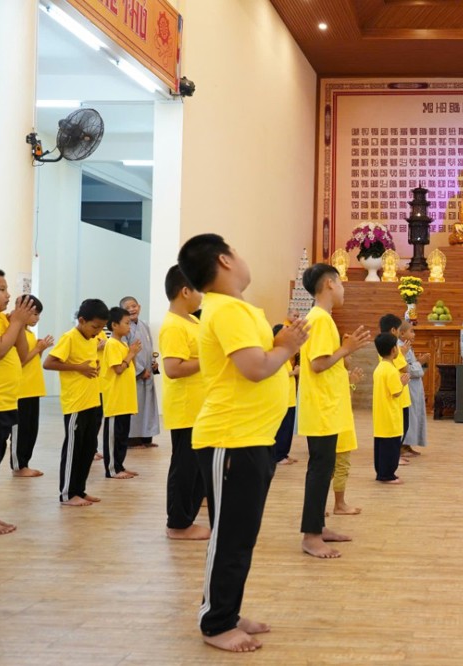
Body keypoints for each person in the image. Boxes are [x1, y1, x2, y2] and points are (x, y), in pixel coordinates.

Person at [178, 233, 308, 652]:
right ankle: (216, 623)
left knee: (240, 535)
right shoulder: (227, 309)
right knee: (230, 537)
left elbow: (258, 359)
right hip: (230, 439)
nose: (242, 257)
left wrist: (283, 343)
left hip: (250, 437)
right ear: (225, 260)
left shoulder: (236, 309)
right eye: (237, 251)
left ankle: (227, 611)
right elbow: (255, 368)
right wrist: (287, 347)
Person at [298, 263, 370, 559]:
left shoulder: (322, 318)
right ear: (329, 284)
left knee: (324, 469)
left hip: (327, 407)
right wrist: (346, 349)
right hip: (322, 409)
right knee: (319, 470)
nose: (342, 290)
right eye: (340, 283)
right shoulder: (319, 319)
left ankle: (318, 526)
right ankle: (311, 537)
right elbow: (318, 364)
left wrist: (344, 352)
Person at [158, 264, 209, 540]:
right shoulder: (173, 326)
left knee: (198, 467)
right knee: (185, 466)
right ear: (185, 291)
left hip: (201, 406)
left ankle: (187, 516)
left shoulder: (193, 321)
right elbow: (173, 368)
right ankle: (178, 524)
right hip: (186, 407)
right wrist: (208, 361)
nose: (202, 295)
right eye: (199, 289)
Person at [44, 299, 110, 507]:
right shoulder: (70, 337)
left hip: (92, 401)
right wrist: (79, 368)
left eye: (102, 328)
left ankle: (79, 490)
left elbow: (87, 361)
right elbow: (49, 363)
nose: (98, 332)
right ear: (81, 320)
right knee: (73, 450)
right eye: (95, 327)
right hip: (76, 404)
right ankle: (67, 494)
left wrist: (92, 365)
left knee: (88, 449)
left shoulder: (91, 338)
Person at [0, 267, 34, 535]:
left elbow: (23, 355)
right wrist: (16, 322)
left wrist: (18, 323)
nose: (7, 295)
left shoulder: (1, 320)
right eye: (1, 289)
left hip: (3, 404)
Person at [10, 296, 54, 478]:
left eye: (38, 314)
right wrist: (37, 349)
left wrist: (40, 349)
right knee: (20, 430)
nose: (37, 318)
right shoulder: (15, 332)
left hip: (33, 388)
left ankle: (25, 463)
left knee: (31, 430)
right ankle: (18, 466)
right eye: (34, 314)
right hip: (21, 390)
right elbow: (19, 362)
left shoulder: (29, 334)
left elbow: (33, 360)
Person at [101, 307, 142, 479]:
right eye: (126, 323)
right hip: (115, 400)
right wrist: (131, 353)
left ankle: (120, 466)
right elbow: (118, 369)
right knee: (114, 437)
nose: (129, 327)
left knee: (122, 437)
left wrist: (132, 352)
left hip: (125, 400)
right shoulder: (111, 344)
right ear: (114, 325)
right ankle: (112, 469)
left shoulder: (123, 344)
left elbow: (130, 367)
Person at [120, 296, 160, 447]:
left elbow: (150, 348)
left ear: (139, 307)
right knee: (135, 407)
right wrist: (140, 371)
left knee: (148, 407)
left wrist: (153, 364)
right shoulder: (124, 328)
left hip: (148, 373)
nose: (132, 309)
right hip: (135, 375)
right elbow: (124, 352)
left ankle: (146, 437)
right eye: (127, 308)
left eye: (134, 306)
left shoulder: (144, 325)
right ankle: (133, 439)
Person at [373, 332, 409, 483]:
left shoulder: (379, 368)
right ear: (394, 350)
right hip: (391, 416)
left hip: (380, 416)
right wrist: (403, 383)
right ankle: (388, 475)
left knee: (380, 447)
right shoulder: (392, 370)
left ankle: (381, 473)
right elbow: (396, 393)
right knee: (391, 448)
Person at [330, 363, 364, 516]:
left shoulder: (331, 372)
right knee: (341, 468)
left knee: (326, 469)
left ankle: (317, 506)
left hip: (329, 425)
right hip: (340, 425)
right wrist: (352, 383)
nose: (351, 358)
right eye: (349, 355)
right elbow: (345, 401)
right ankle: (339, 504)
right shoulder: (340, 373)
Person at [379, 314, 412, 451]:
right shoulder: (393, 347)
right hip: (398, 394)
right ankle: (396, 454)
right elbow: (405, 368)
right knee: (401, 427)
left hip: (398, 392)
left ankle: (396, 453)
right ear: (393, 330)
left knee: (401, 427)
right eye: (398, 330)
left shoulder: (384, 344)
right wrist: (403, 354)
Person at [270, 323, 300, 466]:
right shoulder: (275, 353)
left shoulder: (286, 355)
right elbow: (276, 372)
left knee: (288, 429)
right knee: (282, 429)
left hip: (290, 398)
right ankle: (278, 456)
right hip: (282, 399)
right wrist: (294, 372)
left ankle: (284, 454)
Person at [398, 321, 429, 454]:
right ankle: (403, 445)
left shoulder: (407, 347)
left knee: (414, 415)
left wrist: (417, 362)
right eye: (411, 331)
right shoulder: (400, 347)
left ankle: (408, 444)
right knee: (409, 415)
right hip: (408, 386)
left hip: (414, 387)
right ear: (401, 333)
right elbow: (406, 368)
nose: (414, 334)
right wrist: (420, 362)